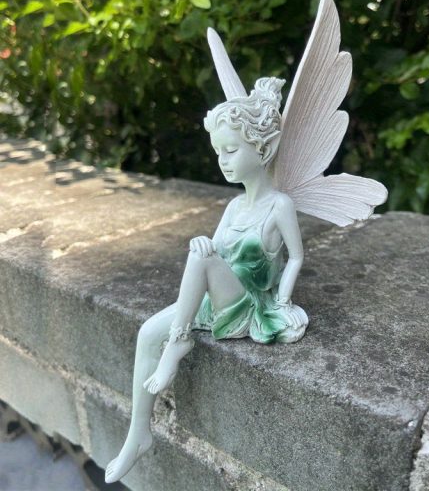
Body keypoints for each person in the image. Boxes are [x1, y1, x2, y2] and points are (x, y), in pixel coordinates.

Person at [104, 77, 308, 484]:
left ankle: (178, 343)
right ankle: (138, 434)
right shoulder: (233, 207)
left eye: (231, 150)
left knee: (199, 262)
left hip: (249, 302)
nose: (223, 161)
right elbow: (214, 252)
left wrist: (283, 302)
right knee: (147, 332)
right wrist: (202, 244)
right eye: (218, 153)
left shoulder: (279, 205)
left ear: (263, 149)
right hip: (218, 296)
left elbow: (297, 257)